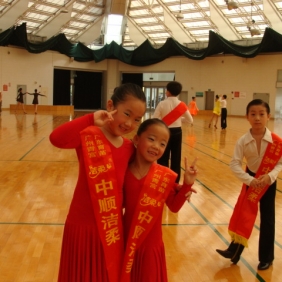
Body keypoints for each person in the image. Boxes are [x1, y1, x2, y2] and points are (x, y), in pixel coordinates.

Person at [49, 83, 146, 282]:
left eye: (137, 120)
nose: (130, 124)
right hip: (82, 223)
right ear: (111, 105)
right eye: (126, 114)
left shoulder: (129, 147)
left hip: (111, 226)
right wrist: (90, 119)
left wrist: (179, 188)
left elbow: (140, 179)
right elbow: (56, 138)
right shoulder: (89, 135)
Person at [121, 118, 198, 282]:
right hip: (126, 240)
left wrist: (187, 184)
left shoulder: (164, 176)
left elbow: (174, 207)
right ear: (136, 139)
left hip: (151, 245)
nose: (156, 146)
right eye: (151, 139)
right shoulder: (123, 172)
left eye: (163, 144)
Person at [216, 99, 282, 270]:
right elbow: (234, 164)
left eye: (261, 114)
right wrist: (250, 180)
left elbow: (280, 163)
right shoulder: (242, 141)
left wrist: (270, 176)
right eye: (253, 114)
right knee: (244, 214)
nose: (257, 118)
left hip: (268, 181)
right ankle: (234, 252)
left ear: (268, 116)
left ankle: (266, 258)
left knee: (267, 220)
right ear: (247, 117)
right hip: (251, 179)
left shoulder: (277, 142)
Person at [153, 81, 193, 183]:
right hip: (177, 132)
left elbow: (155, 119)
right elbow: (190, 120)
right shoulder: (182, 105)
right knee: (176, 157)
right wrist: (179, 119)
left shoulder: (162, 104)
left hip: (164, 132)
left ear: (168, 92)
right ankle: (175, 181)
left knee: (162, 156)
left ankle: (162, 179)